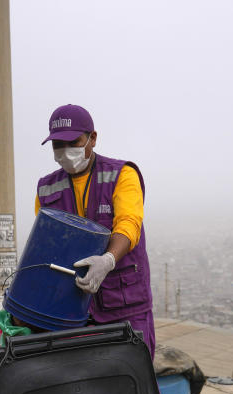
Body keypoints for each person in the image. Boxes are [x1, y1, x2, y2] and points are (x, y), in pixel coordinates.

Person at [35, 104, 155, 357]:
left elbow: (129, 223)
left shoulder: (122, 174)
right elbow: (43, 244)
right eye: (58, 145)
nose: (65, 151)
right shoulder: (46, 187)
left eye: (73, 142)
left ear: (93, 139)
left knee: (130, 382)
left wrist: (108, 260)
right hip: (71, 309)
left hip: (123, 306)